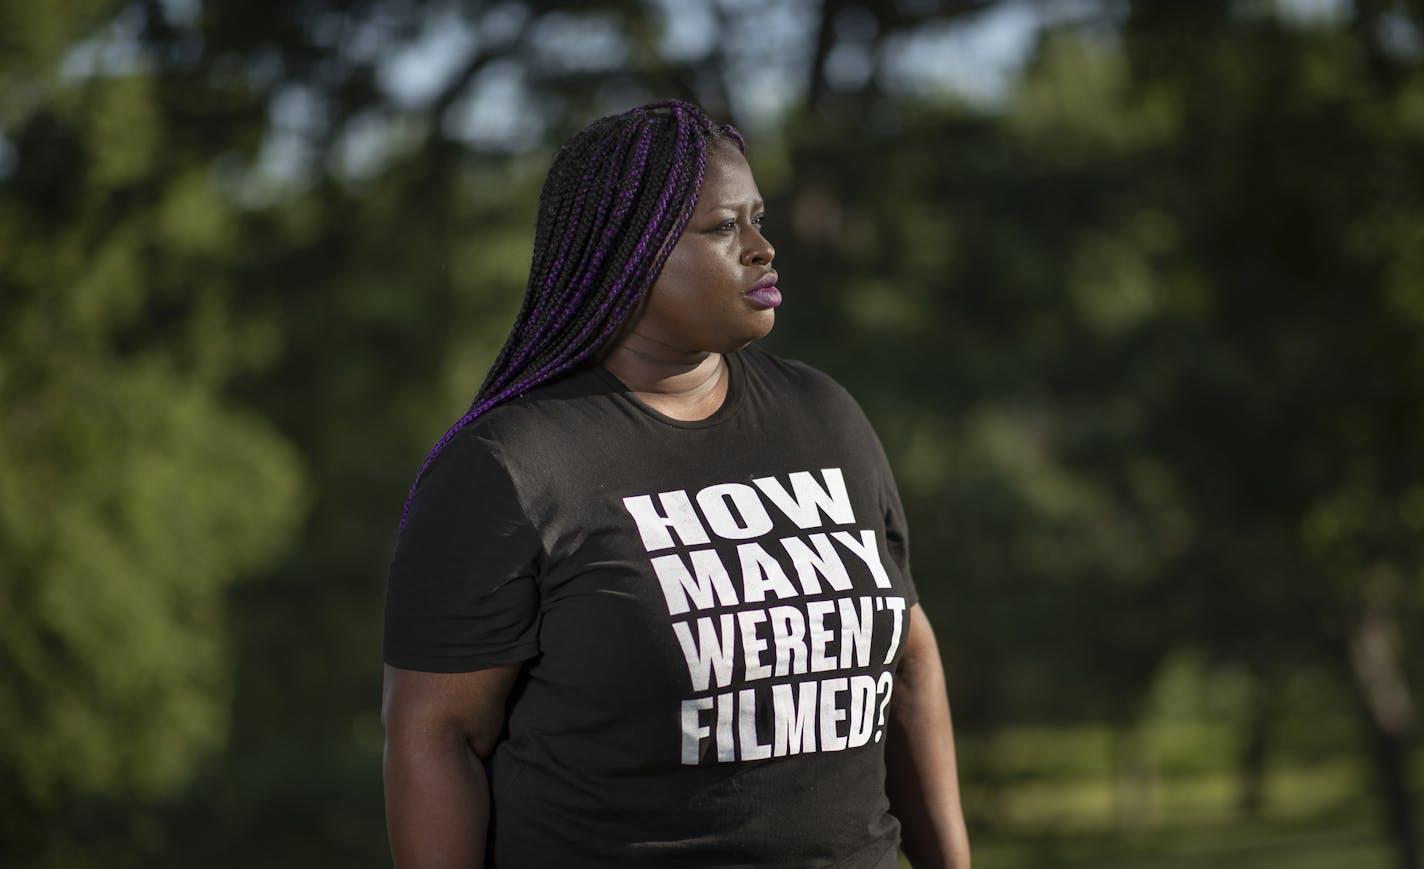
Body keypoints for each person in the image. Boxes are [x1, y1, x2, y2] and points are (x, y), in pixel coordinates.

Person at [382, 100, 971, 869]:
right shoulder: (510, 466)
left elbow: (909, 657)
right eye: (725, 227)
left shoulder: (824, 415)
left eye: (757, 219)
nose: (761, 248)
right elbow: (435, 736)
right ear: (628, 251)